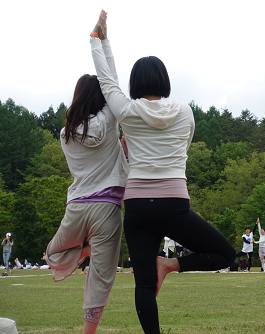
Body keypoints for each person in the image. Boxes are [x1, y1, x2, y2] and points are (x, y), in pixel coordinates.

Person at [90, 11, 235, 334]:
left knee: (143, 285)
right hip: (173, 204)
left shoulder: (126, 110)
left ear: (136, 83)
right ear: (164, 80)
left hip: (139, 208)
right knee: (226, 254)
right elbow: (180, 151)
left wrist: (99, 40)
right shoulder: (185, 112)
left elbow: (106, 80)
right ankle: (170, 264)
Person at [44, 13, 129, 334]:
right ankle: (88, 332)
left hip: (77, 208)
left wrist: (99, 39)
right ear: (100, 98)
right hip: (107, 210)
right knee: (102, 275)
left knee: (52, 254)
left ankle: (81, 250)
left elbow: (108, 85)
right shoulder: (108, 120)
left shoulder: (65, 134)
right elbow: (112, 81)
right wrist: (101, 41)